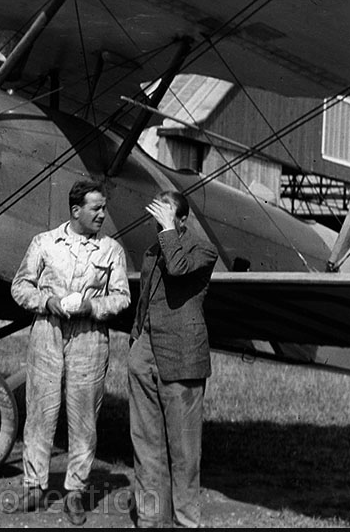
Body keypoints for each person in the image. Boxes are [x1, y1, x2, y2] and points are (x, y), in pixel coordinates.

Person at [7, 179, 131, 525]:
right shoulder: (44, 244)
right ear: (76, 211)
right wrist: (47, 301)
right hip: (47, 333)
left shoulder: (111, 250)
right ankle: (34, 488)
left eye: (104, 208)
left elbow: (122, 297)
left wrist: (92, 306)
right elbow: (20, 286)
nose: (103, 215)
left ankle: (76, 493)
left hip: (90, 339)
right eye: (96, 208)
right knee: (40, 413)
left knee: (84, 419)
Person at [128, 190, 219, 528]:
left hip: (182, 357)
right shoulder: (154, 252)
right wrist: (136, 341)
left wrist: (167, 230)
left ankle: (186, 522)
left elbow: (178, 268)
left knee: (184, 452)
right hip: (145, 353)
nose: (158, 222)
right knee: (145, 444)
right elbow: (146, 298)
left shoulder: (202, 249)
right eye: (157, 215)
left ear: (182, 220)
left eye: (166, 216)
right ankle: (150, 520)